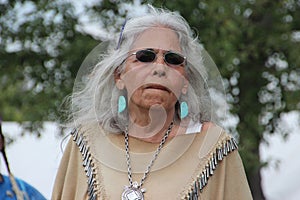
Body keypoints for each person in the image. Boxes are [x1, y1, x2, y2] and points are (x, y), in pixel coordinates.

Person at [52, 6, 253, 200]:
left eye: (173, 59)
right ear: (119, 76)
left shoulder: (213, 147)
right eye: (145, 57)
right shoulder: (87, 141)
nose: (159, 68)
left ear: (185, 82)